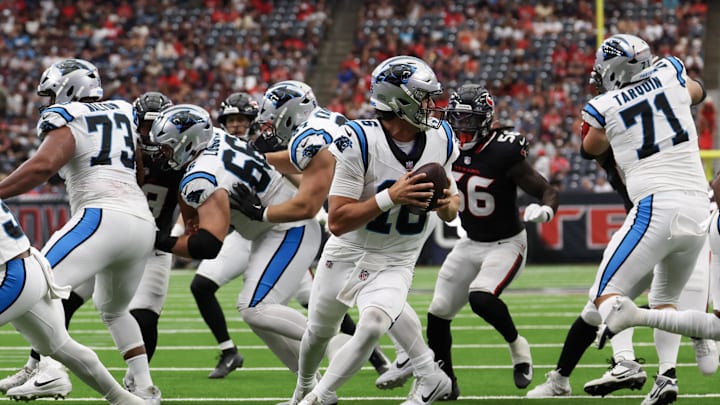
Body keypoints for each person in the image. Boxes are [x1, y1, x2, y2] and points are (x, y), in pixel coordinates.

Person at [532, 34, 710, 405]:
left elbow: (590, 147)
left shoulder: (604, 104)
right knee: (665, 300)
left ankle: (629, 355)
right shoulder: (671, 71)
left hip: (657, 205)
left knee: (605, 297)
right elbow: (697, 92)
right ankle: (668, 377)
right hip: (698, 206)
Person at [290, 55, 460, 405]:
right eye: (424, 97)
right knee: (319, 332)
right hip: (348, 250)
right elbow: (337, 221)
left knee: (372, 324)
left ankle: (318, 398)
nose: (433, 105)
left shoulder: (441, 136)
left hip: (397, 256)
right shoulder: (359, 140)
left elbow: (453, 206)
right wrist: (390, 197)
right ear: (399, 102)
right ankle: (303, 388)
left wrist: (445, 205)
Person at [0, 59, 160, 402]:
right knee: (115, 310)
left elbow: (42, 167)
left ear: (67, 87)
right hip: (142, 223)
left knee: (38, 284)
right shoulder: (123, 110)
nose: (47, 101)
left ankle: (50, 372)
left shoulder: (69, 115)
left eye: (49, 92)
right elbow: (140, 172)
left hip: (102, 217)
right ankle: (145, 388)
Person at [149, 105, 325, 393]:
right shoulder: (217, 137)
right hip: (271, 229)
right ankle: (311, 390)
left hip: (289, 228)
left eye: (167, 147)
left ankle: (324, 334)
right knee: (260, 317)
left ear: (187, 142)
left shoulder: (202, 174)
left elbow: (208, 245)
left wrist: (157, 241)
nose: (163, 154)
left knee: (255, 307)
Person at [230, 80, 392, 380]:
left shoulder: (310, 136)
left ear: (289, 113)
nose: (269, 128)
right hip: (370, 210)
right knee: (347, 298)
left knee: (365, 295)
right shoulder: (323, 120)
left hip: (362, 220)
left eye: (273, 119)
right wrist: (262, 157)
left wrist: (259, 211)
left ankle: (378, 354)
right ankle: (319, 383)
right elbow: (301, 162)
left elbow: (307, 205)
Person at [420, 84, 558, 400]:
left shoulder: (503, 151)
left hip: (507, 243)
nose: (462, 127)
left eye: (470, 120)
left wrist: (547, 210)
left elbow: (548, 190)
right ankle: (446, 381)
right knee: (438, 312)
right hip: (471, 242)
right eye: (458, 118)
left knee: (481, 298)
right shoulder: (444, 148)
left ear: (486, 120)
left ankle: (517, 346)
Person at [49, 90, 179, 393]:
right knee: (64, 297)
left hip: (154, 246)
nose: (149, 134)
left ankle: (140, 382)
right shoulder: (119, 151)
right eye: (144, 126)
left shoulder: (178, 160)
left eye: (155, 126)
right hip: (112, 234)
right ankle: (41, 365)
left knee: (143, 316)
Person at [0, 197, 147, 404]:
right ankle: (126, 400)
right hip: (27, 267)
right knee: (62, 347)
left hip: (11, 275)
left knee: (61, 346)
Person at [189, 92, 258, 379]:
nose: (237, 125)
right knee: (201, 286)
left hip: (277, 235)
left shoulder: (269, 147)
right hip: (243, 236)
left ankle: (375, 356)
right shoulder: (213, 150)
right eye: (232, 120)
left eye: (242, 119)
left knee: (317, 300)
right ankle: (229, 351)